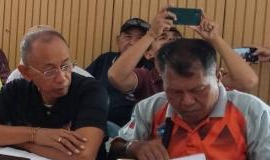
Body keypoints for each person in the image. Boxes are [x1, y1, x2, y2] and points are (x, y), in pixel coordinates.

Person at [111, 38, 270, 160]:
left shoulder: (254, 112)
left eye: (199, 89)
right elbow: (114, 146)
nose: (187, 101)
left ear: (218, 77)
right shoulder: (151, 107)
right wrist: (134, 147)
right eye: (175, 92)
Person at [0, 27, 108, 160]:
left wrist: (22, 142)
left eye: (65, 66)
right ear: (26, 72)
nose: (62, 78)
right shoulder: (17, 90)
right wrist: (35, 135)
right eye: (50, 71)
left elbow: (83, 155)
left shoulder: (91, 90)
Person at [108, 8, 255, 104]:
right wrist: (151, 34)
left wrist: (215, 38)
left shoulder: (202, 75)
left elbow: (247, 81)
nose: (171, 41)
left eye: (176, 38)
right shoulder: (147, 78)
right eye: (163, 37)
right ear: (149, 54)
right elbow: (116, 76)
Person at [86, 17, 154, 127]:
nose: (132, 43)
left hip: (132, 129)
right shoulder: (105, 59)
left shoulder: (151, 67)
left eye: (140, 38)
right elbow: (84, 84)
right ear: (118, 40)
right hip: (95, 122)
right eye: (128, 37)